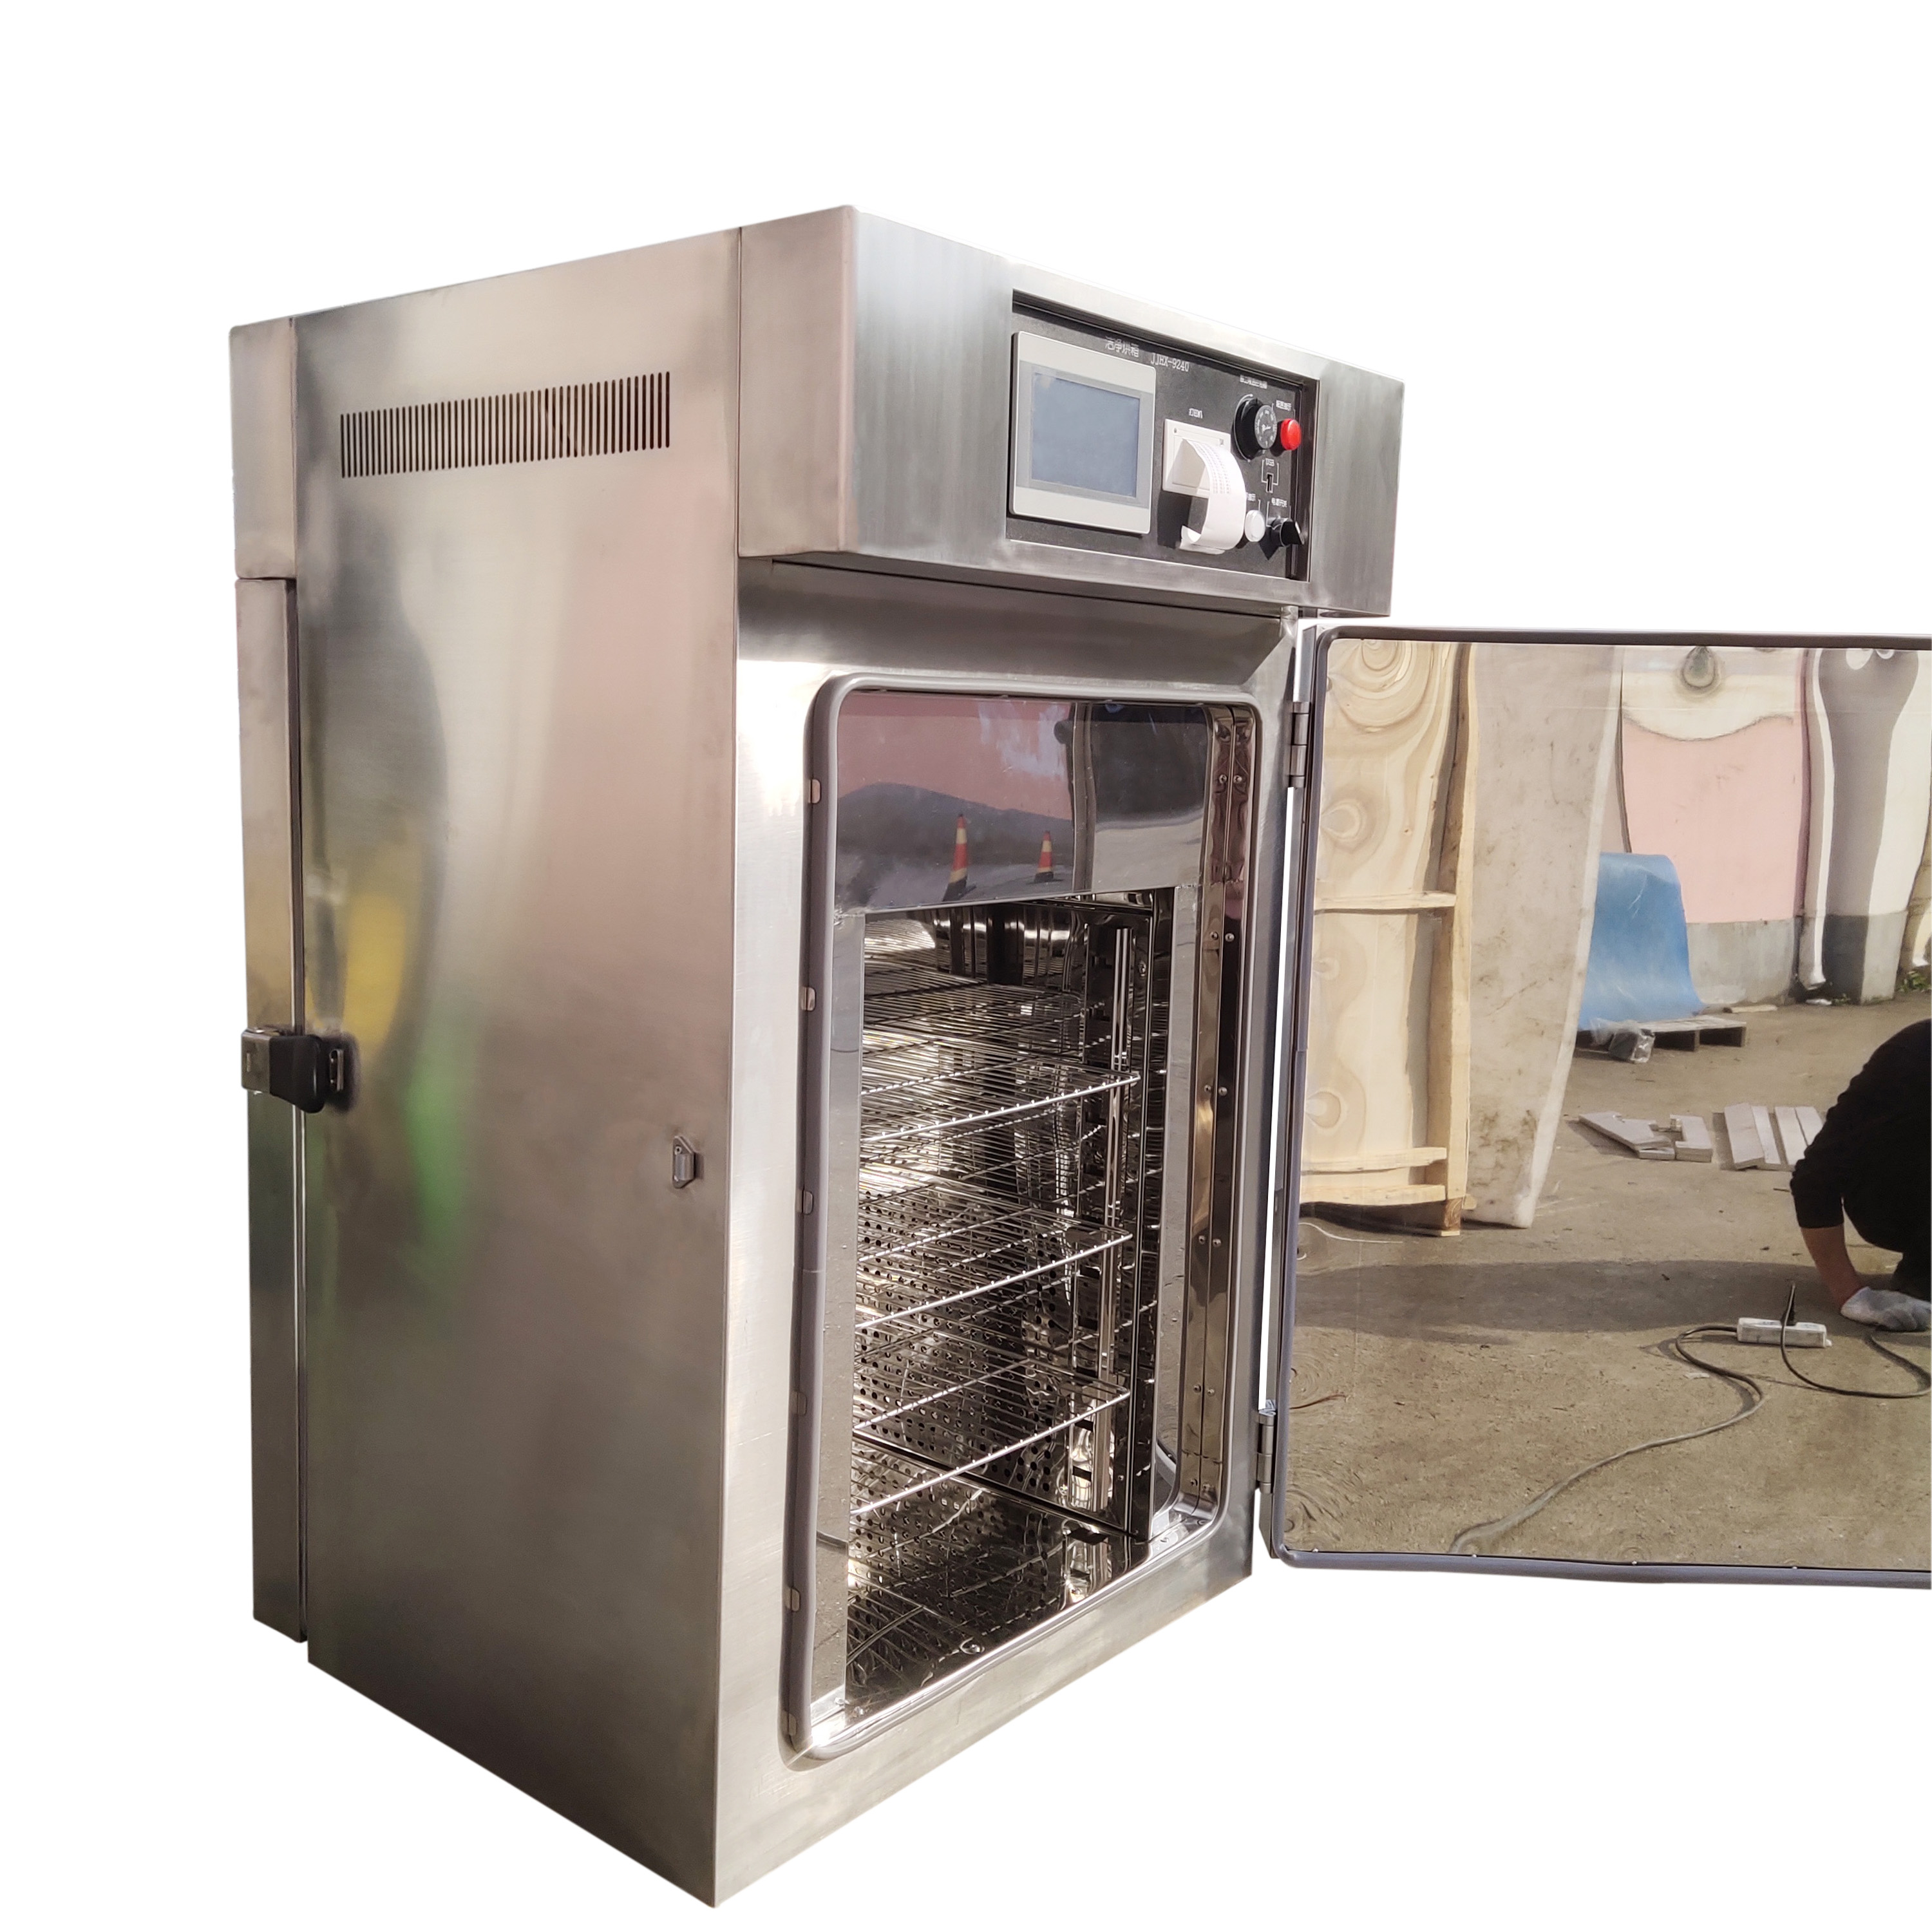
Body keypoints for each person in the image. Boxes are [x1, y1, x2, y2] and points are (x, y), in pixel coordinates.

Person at [1790, 1016, 1930, 1331]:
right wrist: (1850, 1294)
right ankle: (1923, 1267)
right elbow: (1815, 1178)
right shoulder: (1917, 1057)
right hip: (1893, 1202)